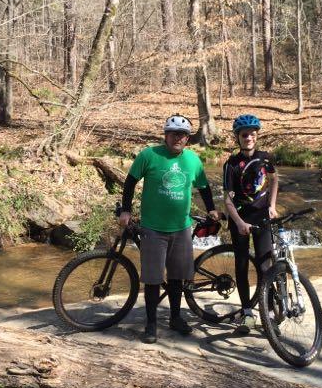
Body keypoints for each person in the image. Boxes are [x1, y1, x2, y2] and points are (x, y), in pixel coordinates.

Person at [119, 114, 219, 344]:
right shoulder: (149, 155)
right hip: (153, 228)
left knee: (177, 278)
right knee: (153, 280)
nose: (178, 139)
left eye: (183, 135)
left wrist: (212, 209)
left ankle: (175, 317)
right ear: (166, 135)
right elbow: (130, 181)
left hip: (181, 228)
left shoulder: (193, 160)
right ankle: (151, 324)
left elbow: (203, 187)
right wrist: (126, 210)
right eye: (174, 134)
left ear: (187, 139)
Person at [223, 114, 278, 334]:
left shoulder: (265, 158)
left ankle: (270, 313)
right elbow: (227, 199)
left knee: (267, 266)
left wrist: (272, 205)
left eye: (252, 135)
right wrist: (238, 222)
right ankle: (247, 313)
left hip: (262, 217)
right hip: (240, 220)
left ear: (257, 136)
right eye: (245, 135)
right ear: (238, 137)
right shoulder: (231, 164)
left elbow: (274, 179)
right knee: (242, 266)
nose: (249, 138)